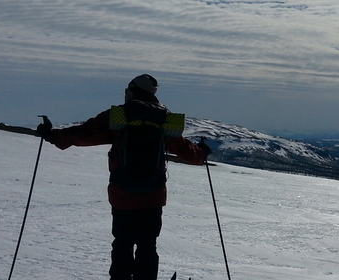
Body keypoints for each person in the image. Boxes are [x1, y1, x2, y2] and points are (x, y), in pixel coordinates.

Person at [36, 74, 211, 280]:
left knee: (122, 243)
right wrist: (202, 152)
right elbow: (185, 150)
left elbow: (84, 133)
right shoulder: (165, 118)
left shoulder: (120, 115)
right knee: (148, 245)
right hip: (153, 195)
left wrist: (52, 135)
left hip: (122, 193)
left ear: (132, 91)